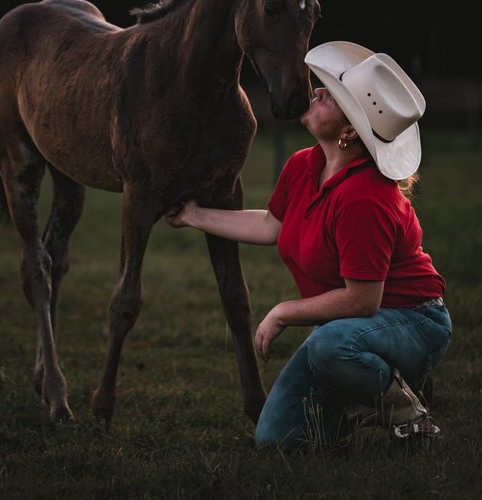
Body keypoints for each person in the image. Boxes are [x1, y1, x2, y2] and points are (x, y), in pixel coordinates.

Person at [168, 41, 451, 450]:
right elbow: (271, 226)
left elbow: (363, 301)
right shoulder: (303, 165)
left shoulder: (365, 198)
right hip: (351, 330)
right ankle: (374, 400)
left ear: (350, 130)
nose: (315, 91)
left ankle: (408, 411)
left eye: (330, 95)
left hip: (413, 323)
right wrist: (193, 216)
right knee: (277, 439)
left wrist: (284, 312)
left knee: (329, 345)